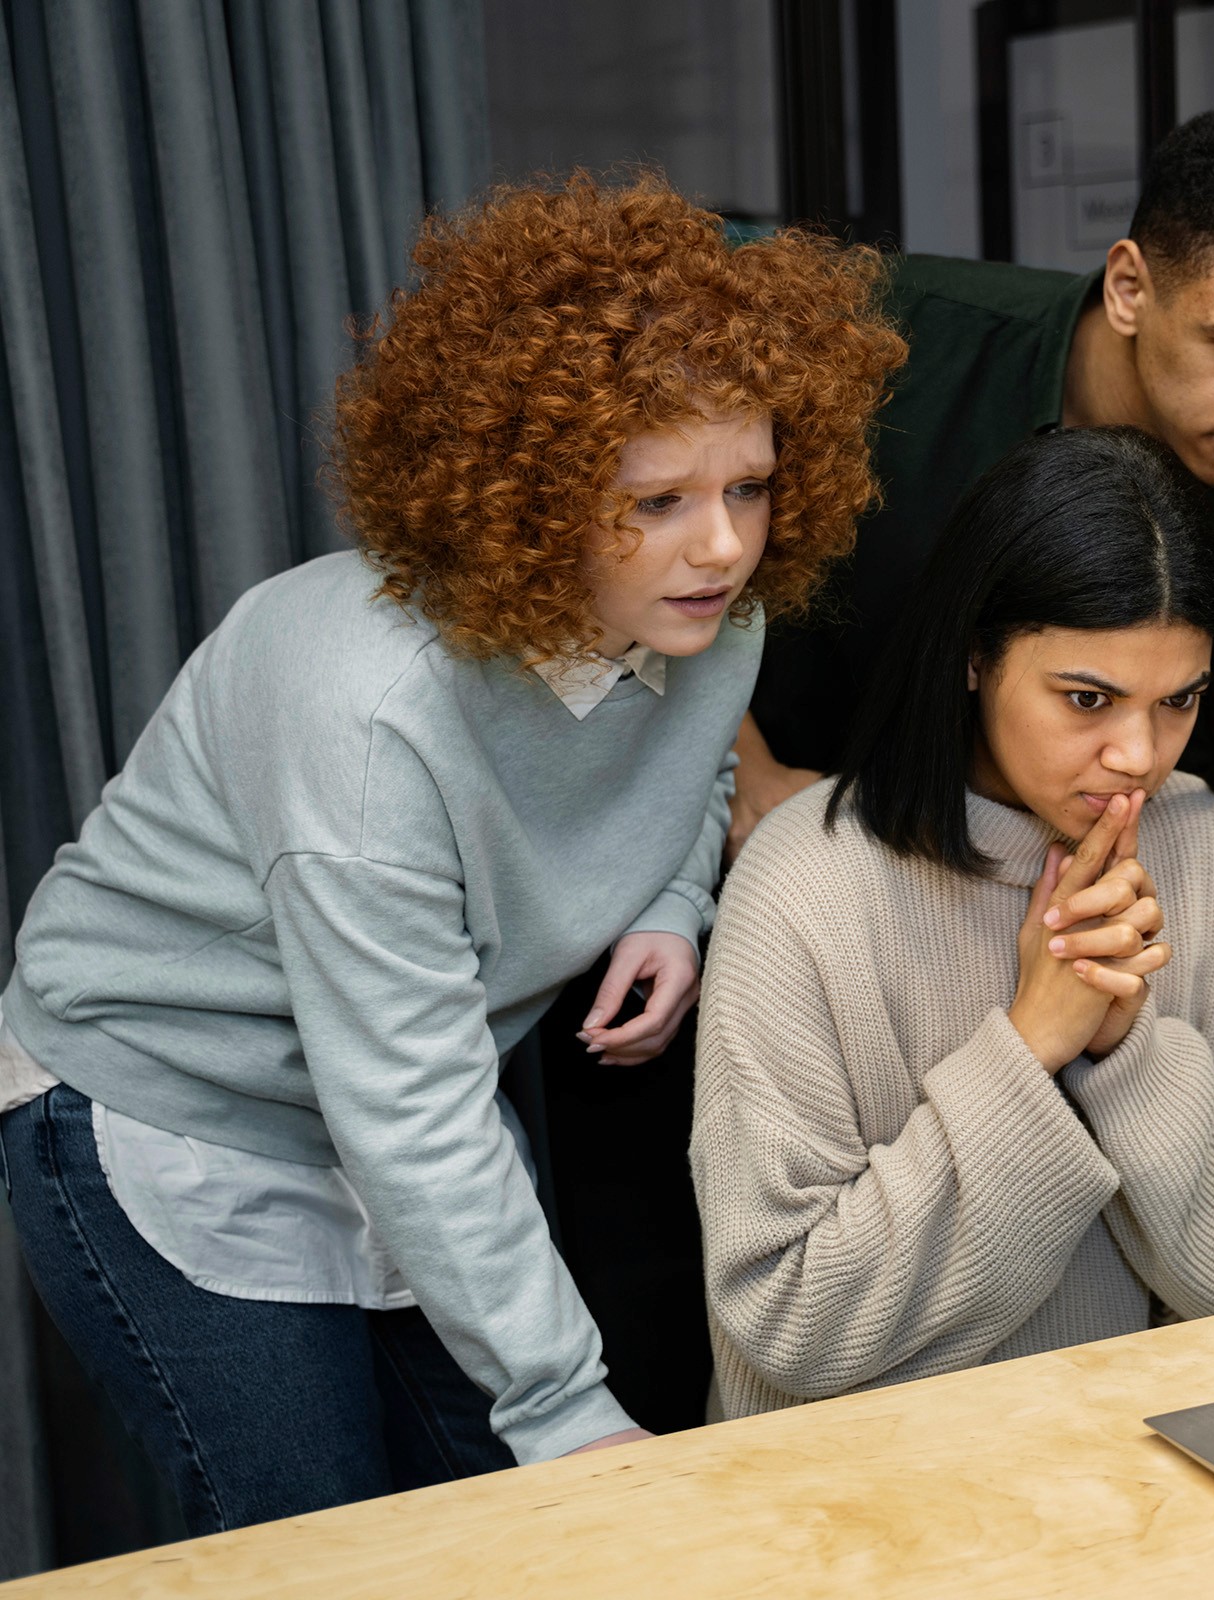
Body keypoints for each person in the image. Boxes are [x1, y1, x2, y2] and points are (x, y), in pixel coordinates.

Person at [0, 175, 903, 1531]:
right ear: (529, 494)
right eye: (654, 500)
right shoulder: (368, 715)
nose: (721, 544)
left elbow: (686, 757)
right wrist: (564, 1406)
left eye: (751, 484)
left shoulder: (716, 616)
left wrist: (669, 901)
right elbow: (413, 1111)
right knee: (323, 1549)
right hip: (171, 1113)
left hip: (400, 1101)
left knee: (501, 1535)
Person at [736, 103, 1214, 1292]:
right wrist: (732, 766)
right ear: (1129, 287)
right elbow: (672, 505)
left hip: (1081, 915)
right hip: (818, 854)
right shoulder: (902, 340)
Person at [693, 427, 1214, 1408]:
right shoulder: (805, 885)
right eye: (1086, 698)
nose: (1138, 752)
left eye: (1179, 700)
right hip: (866, 1518)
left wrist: (1129, 1049)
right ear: (974, 655)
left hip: (1159, 1494)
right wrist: (1030, 1044)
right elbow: (793, 1326)